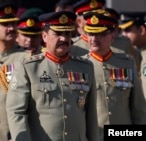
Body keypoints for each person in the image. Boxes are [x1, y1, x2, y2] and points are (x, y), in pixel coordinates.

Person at [6, 11, 98, 141]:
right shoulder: (29, 67)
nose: (64, 39)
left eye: (67, 34)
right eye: (58, 34)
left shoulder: (85, 67)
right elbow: (16, 112)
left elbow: (91, 115)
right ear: (44, 36)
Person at [82, 11, 146, 141]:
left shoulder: (127, 63)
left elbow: (138, 107)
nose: (94, 39)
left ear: (112, 36)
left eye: (101, 34)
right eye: (91, 34)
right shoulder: (80, 66)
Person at [0, 3, 30, 141]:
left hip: (15, 135)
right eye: (5, 25)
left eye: (13, 24)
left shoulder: (27, 59)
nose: (11, 28)